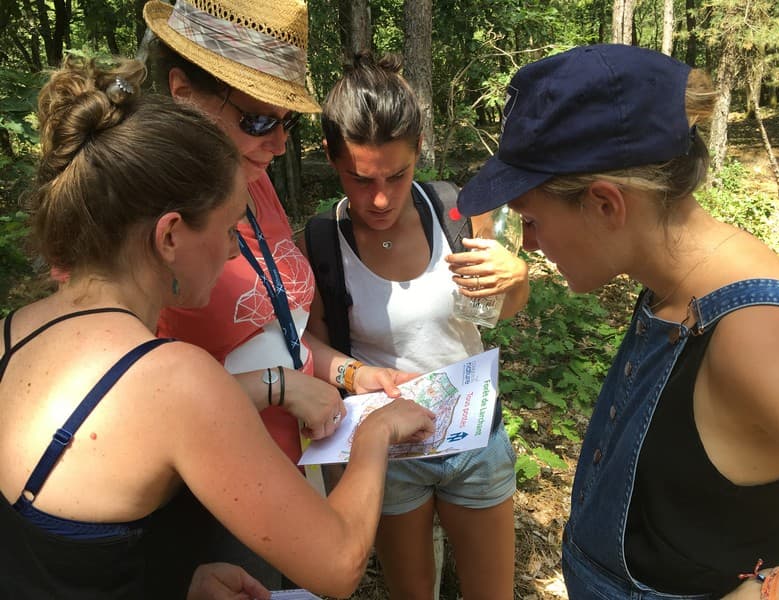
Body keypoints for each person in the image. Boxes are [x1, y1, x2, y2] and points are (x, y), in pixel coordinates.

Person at [0, 55, 434, 599]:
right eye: (230, 228)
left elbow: (59, 558)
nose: (236, 247)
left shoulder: (15, 331)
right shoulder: (175, 377)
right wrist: (375, 433)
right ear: (170, 238)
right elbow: (342, 562)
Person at [455, 44, 779, 600]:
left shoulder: (758, 333)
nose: (533, 244)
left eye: (535, 221)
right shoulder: (672, 288)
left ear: (605, 205)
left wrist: (778, 591)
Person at [141, 0, 421, 588]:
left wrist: (348, 374)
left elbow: (280, 330)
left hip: (295, 461)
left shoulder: (255, 184)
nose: (276, 145)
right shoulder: (136, 217)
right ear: (183, 93)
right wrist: (276, 387)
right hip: (215, 495)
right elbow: (129, 403)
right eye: (259, 121)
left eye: (285, 122)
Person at [301, 52, 530, 600]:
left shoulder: (452, 208)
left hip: (474, 437)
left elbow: (503, 308)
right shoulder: (320, 243)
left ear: (419, 148)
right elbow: (309, 342)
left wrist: (517, 278)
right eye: (361, 179)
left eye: (397, 175)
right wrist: (356, 374)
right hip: (388, 450)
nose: (379, 198)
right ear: (332, 159)